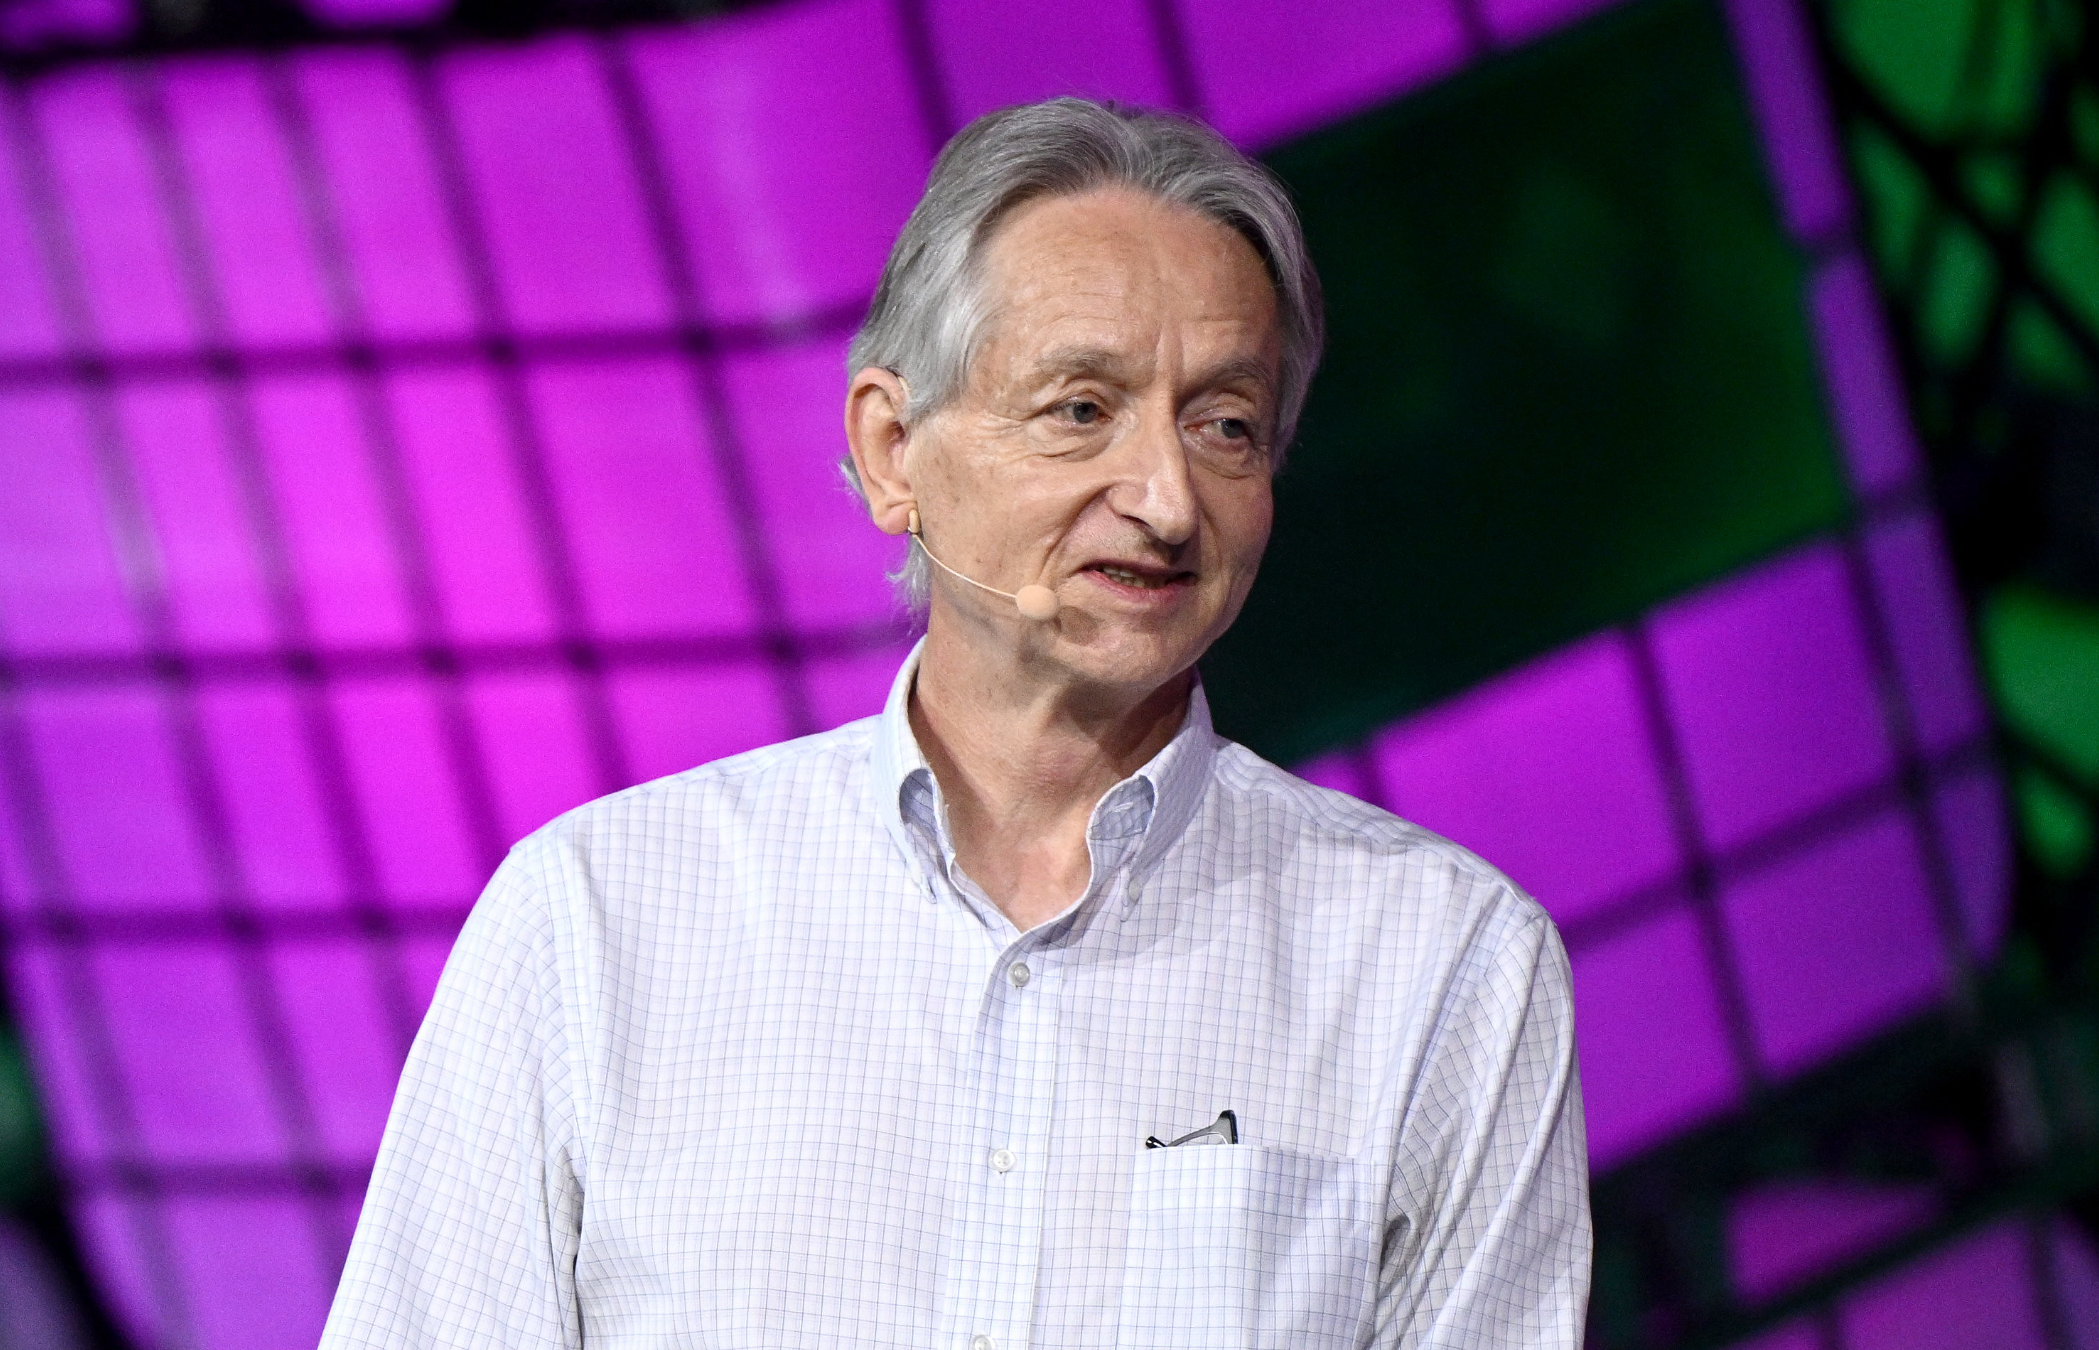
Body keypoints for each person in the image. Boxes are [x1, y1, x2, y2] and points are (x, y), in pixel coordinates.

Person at [321, 97, 1589, 1350]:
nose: (1167, 501)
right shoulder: (595, 923)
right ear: (892, 451)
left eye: (1226, 427)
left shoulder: (1444, 965)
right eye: (1081, 409)